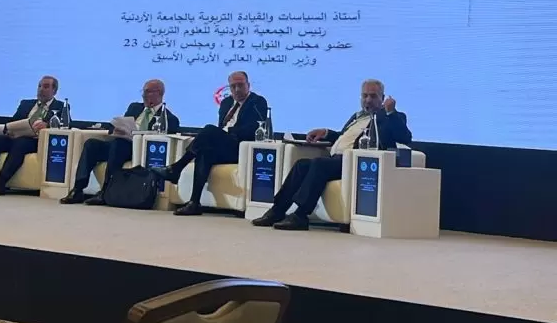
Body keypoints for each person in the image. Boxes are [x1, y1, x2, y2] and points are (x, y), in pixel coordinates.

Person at [252, 78, 411, 231]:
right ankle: (278, 210)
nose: (368, 100)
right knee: (302, 165)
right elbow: (344, 138)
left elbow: (405, 137)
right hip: (336, 160)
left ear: (382, 98)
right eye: (364, 96)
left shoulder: (390, 117)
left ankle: (300, 214)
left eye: (373, 96)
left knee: (319, 164)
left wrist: (390, 112)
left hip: (357, 163)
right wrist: (326, 133)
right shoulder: (356, 117)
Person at [156, 71, 267, 216]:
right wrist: (221, 134)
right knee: (204, 152)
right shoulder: (226, 103)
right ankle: (194, 202)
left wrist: (227, 132)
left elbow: (253, 128)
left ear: (248, 85)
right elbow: (221, 125)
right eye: (233, 86)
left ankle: (177, 168)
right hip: (223, 146)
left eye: (240, 85)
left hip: (240, 148)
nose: (237, 89)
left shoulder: (257, 102)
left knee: (209, 130)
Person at [60, 79, 179, 205]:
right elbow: (122, 123)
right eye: (143, 91)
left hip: (138, 150)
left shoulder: (169, 118)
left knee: (118, 145)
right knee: (92, 144)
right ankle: (78, 189)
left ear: (159, 93)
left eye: (147, 92)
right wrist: (116, 129)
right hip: (119, 143)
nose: (143, 95)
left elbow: (162, 139)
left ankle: (105, 192)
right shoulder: (134, 107)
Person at [0, 76, 62, 195]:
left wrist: (47, 125)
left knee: (21, 143)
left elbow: (65, 125)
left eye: (45, 87)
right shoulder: (26, 104)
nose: (41, 90)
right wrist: (10, 129)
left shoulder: (60, 106)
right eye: (39, 86)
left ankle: (0, 183)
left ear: (54, 91)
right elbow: (14, 121)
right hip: (17, 137)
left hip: (36, 141)